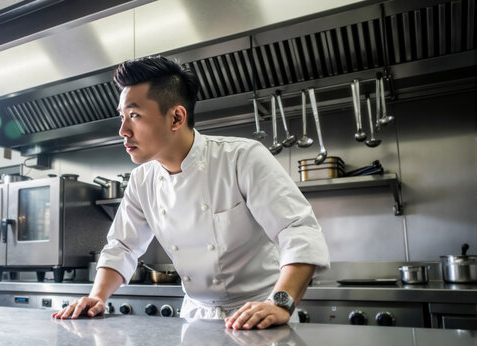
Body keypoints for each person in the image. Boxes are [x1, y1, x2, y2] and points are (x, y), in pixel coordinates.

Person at [53, 55, 330, 330]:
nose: (123, 130)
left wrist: (280, 303)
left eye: (134, 115)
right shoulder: (142, 180)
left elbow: (298, 230)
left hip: (259, 315)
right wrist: (96, 297)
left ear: (176, 117)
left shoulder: (241, 157)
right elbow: (122, 246)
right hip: (196, 320)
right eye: (122, 116)